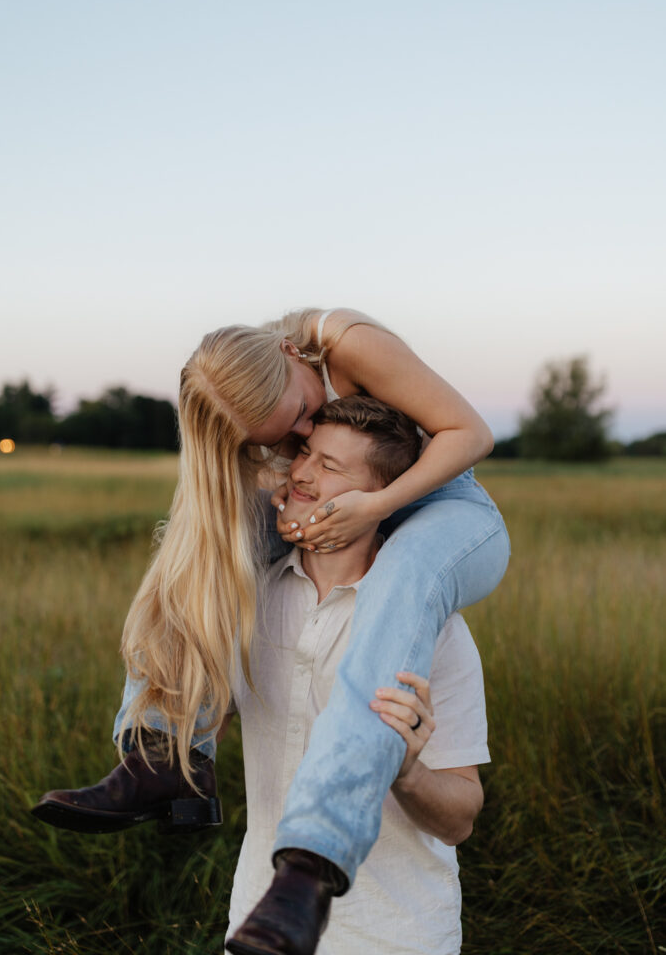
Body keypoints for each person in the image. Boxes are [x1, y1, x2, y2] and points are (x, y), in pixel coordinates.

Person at [32, 308, 508, 945]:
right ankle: (161, 753)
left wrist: (376, 505)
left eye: (304, 416)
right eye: (287, 443)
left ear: (291, 353)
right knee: (199, 541)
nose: (301, 440)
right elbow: (240, 506)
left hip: (444, 497)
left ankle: (317, 853)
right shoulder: (272, 576)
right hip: (361, 501)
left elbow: (469, 434)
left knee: (408, 570)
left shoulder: (345, 342)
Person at [225, 396, 490, 955]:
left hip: (396, 933)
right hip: (259, 925)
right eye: (306, 454)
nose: (300, 473)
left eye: (329, 467)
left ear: (376, 500)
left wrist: (409, 772)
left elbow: (461, 819)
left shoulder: (434, 631)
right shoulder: (252, 599)